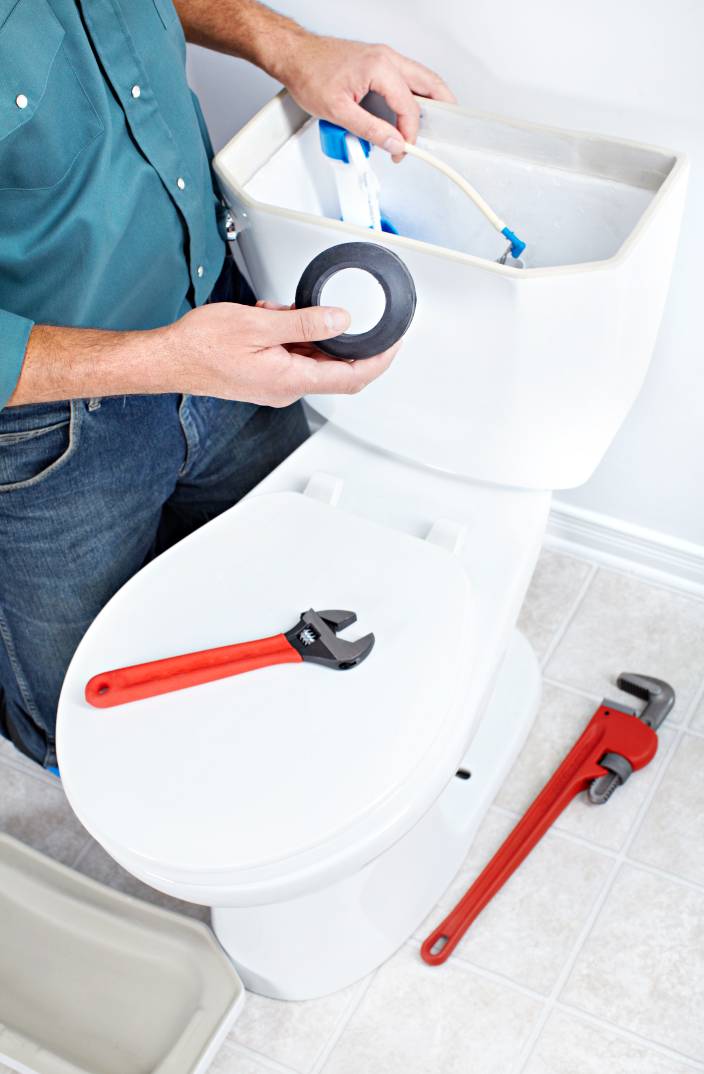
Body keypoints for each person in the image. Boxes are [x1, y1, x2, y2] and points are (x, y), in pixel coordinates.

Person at [0, 0, 455, 769]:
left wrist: (286, 45)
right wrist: (163, 362)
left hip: (223, 312)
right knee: (89, 713)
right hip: (48, 431)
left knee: (279, 591)